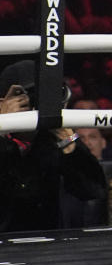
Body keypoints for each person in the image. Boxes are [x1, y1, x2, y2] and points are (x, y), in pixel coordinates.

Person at [0, 60, 106, 231]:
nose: (35, 102)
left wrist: (70, 142)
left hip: (47, 243)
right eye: (26, 95)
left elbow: (93, 192)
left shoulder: (54, 140)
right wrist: (2, 128)